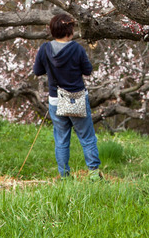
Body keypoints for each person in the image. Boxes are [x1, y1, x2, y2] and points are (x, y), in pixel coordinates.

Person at [33, 13, 101, 179]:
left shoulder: (45, 49)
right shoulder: (76, 48)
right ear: (69, 31)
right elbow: (88, 70)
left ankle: (64, 176)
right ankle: (93, 174)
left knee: (61, 139)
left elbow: (37, 71)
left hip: (56, 100)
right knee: (87, 136)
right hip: (76, 98)